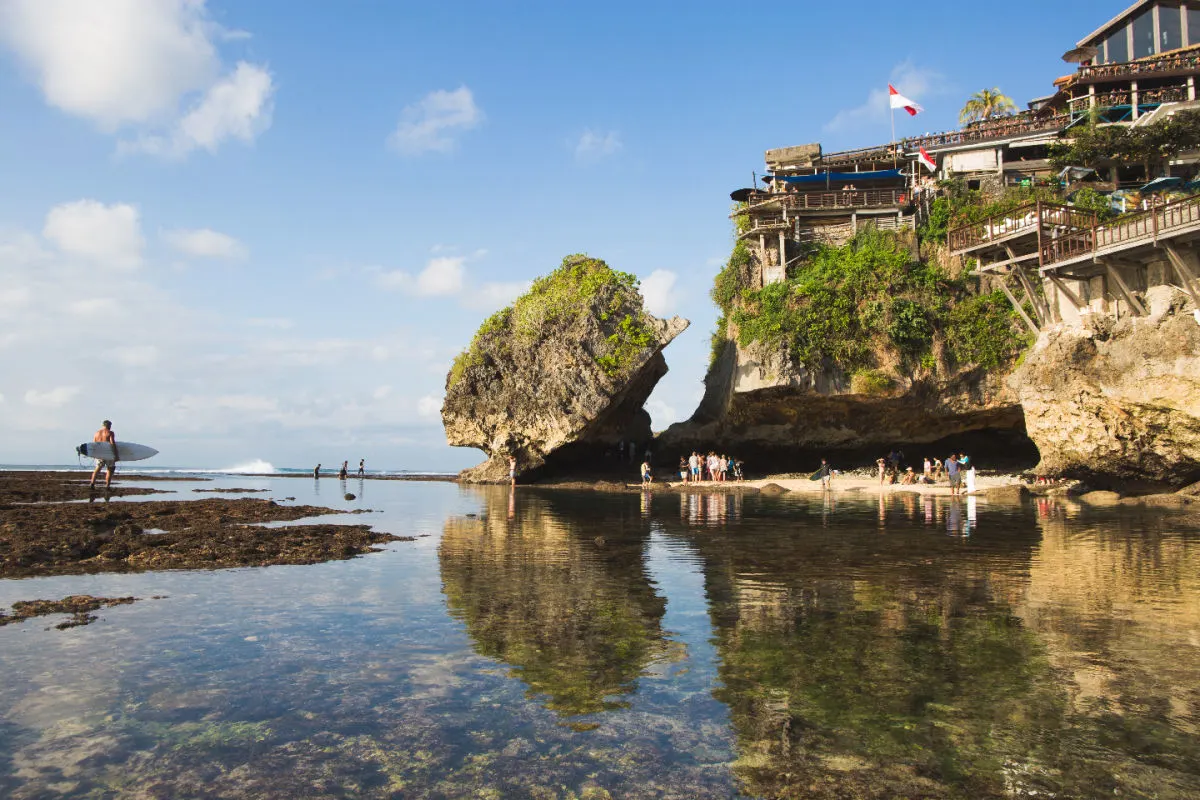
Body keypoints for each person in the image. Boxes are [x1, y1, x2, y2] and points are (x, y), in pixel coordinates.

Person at [88, 420, 119, 488]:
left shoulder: (97, 433)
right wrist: (116, 454)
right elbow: (112, 443)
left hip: (100, 454)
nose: (110, 427)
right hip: (108, 454)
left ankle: (92, 483)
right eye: (110, 426)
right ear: (109, 425)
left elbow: (94, 444)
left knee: (98, 468)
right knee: (110, 469)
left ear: (103, 425)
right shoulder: (110, 433)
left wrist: (94, 454)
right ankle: (107, 486)